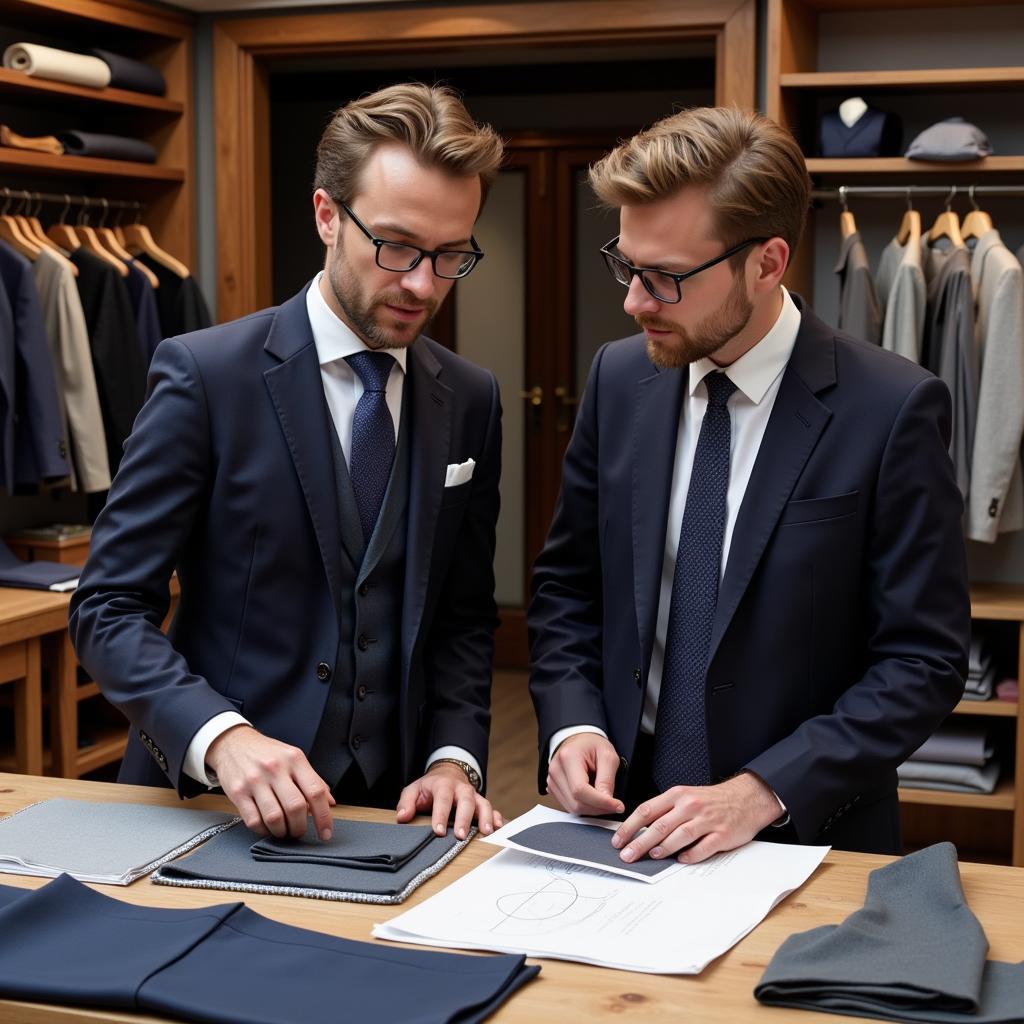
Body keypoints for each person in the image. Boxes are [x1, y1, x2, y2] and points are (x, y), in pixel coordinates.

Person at [528, 106, 969, 863]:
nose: (633, 301)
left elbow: (921, 661)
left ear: (766, 264)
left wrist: (763, 789)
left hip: (808, 839)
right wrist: (574, 725)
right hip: (625, 834)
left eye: (664, 277)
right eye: (625, 264)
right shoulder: (618, 377)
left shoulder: (893, 408)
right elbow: (569, 586)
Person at [70, 83, 506, 844]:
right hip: (206, 812)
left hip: (393, 814)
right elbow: (107, 607)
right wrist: (219, 737)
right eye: (397, 246)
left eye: (450, 255)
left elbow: (462, 618)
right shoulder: (205, 375)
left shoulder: (471, 397)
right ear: (328, 216)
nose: (421, 284)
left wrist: (453, 759)